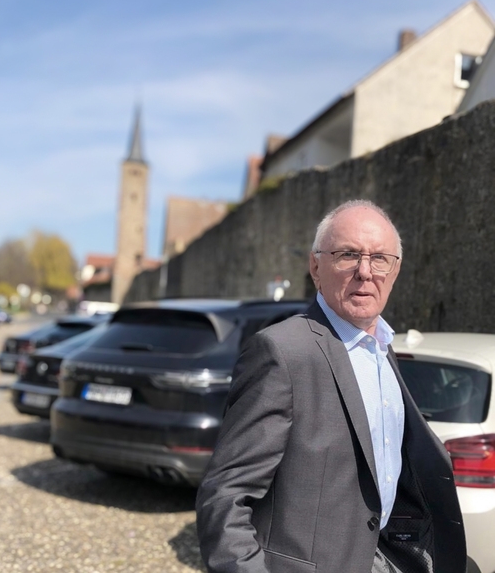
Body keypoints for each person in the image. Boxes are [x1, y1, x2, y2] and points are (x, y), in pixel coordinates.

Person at [196, 199, 466, 573]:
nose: (365, 272)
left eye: (380, 258)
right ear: (315, 267)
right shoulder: (282, 352)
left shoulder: (382, 349)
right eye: (348, 255)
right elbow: (225, 496)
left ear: (395, 271)